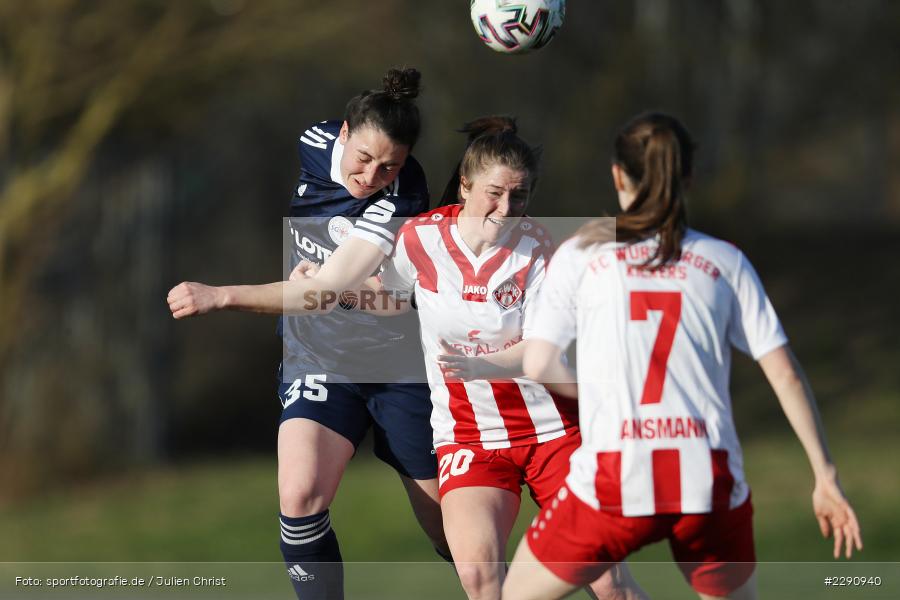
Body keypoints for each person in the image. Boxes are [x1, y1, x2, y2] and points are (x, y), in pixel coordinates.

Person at [500, 112, 863, 600]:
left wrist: (600, 398)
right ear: (688, 177)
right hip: (707, 483)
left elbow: (539, 363)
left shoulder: (583, 253)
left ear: (617, 175)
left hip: (615, 478)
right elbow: (786, 375)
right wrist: (826, 478)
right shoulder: (724, 260)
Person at [167, 67, 449, 600]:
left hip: (398, 364)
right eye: (363, 157)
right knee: (299, 497)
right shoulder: (312, 140)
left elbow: (325, 290)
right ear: (342, 133)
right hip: (320, 356)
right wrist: (320, 284)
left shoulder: (403, 194)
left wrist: (222, 294)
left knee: (452, 530)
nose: (371, 176)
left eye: (389, 166)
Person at [377, 117, 646, 600]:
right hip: (470, 436)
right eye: (494, 193)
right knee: (480, 577)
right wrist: (332, 287)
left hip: (554, 434)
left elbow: (541, 350)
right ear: (464, 183)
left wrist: (484, 365)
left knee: (610, 583)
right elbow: (389, 295)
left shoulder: (542, 252)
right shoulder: (419, 239)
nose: (506, 209)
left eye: (519, 197)